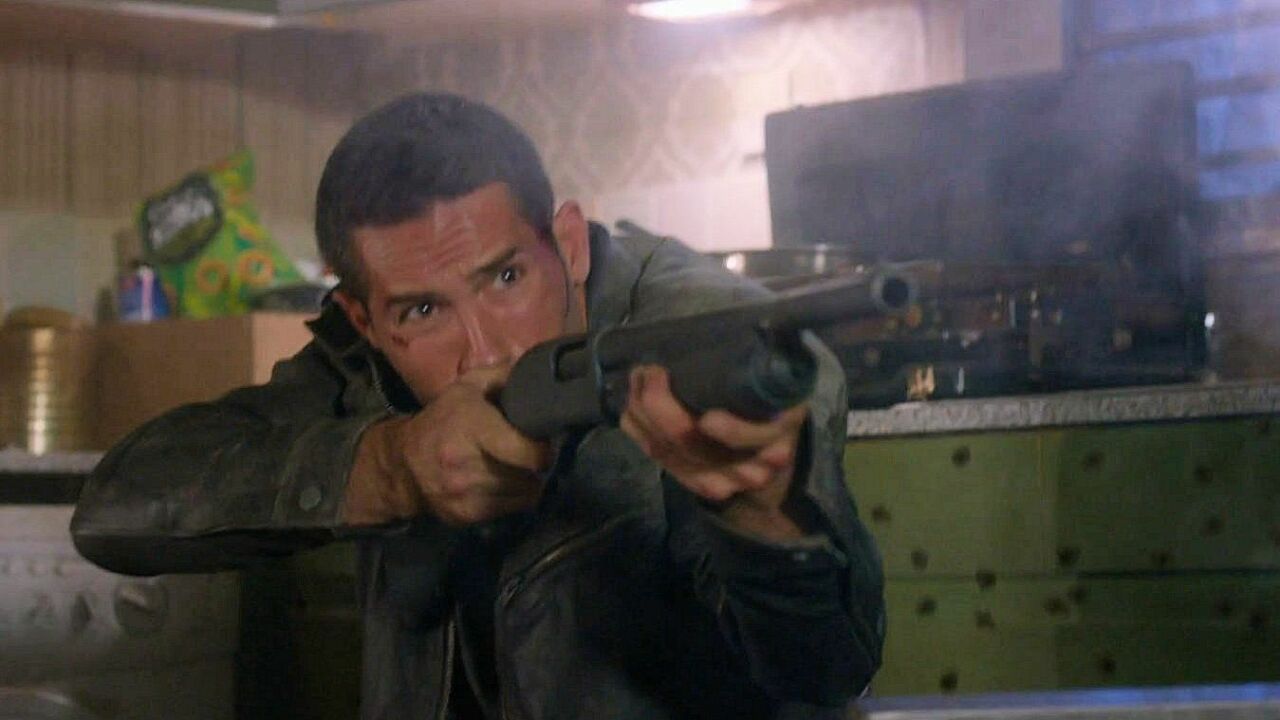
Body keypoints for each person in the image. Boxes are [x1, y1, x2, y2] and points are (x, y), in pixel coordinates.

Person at [71, 93, 885, 720]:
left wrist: (761, 523)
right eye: (423, 310)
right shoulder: (365, 364)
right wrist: (388, 467)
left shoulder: (714, 342)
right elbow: (117, 507)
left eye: (505, 278)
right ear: (364, 319)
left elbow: (823, 670)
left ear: (568, 243)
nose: (485, 350)